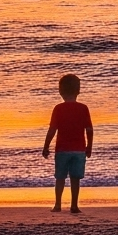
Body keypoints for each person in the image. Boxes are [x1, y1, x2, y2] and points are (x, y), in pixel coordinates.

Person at [40, 73, 94, 214]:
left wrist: (46, 146)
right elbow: (89, 130)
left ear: (60, 91)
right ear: (78, 90)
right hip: (78, 150)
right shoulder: (83, 108)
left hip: (62, 150)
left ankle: (58, 205)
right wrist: (89, 147)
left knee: (60, 178)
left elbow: (52, 130)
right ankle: (74, 205)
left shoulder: (58, 109)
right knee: (75, 178)